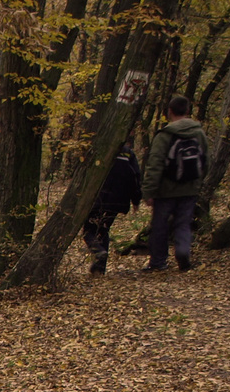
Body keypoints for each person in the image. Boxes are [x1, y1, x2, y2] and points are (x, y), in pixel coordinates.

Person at [140, 95, 209, 272]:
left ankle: (158, 262)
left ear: (169, 112)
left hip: (165, 190)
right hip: (190, 189)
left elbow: (155, 164)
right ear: (187, 111)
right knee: (183, 224)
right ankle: (183, 252)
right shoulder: (199, 132)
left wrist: (149, 192)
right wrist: (197, 183)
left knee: (160, 226)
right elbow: (205, 161)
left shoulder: (165, 134)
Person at [83, 141, 142, 273]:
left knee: (88, 231)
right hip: (117, 201)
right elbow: (135, 178)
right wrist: (136, 200)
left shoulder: (100, 148)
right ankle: (99, 268)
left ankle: (99, 252)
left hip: (97, 198)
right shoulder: (128, 153)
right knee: (103, 230)